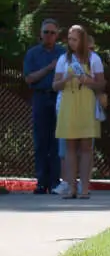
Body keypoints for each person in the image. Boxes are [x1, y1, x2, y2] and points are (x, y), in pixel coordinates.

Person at [53, 24, 106, 199]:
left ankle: (84, 188)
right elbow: (55, 85)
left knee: (86, 147)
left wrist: (88, 80)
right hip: (69, 103)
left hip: (86, 103)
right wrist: (66, 79)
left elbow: (101, 84)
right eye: (69, 39)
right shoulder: (64, 59)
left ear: (82, 40)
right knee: (69, 147)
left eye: (74, 39)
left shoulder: (94, 59)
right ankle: (71, 187)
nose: (71, 42)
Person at [23, 19, 65, 194]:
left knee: (57, 141)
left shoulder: (63, 53)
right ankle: (41, 182)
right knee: (41, 141)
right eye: (46, 32)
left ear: (57, 35)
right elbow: (29, 78)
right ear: (40, 34)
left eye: (52, 33)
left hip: (59, 98)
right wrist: (49, 68)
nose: (49, 36)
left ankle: (55, 182)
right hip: (40, 97)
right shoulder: (33, 54)